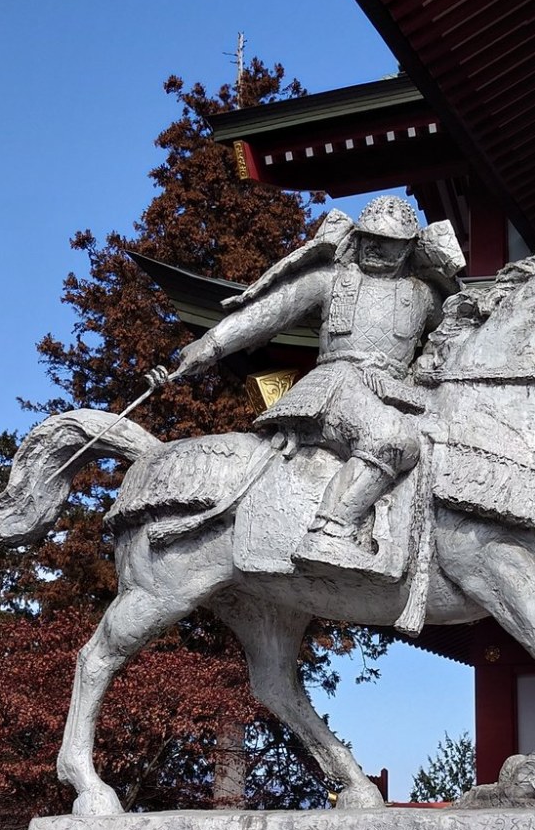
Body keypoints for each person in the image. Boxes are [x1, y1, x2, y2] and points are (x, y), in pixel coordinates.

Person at [158, 195, 463, 570]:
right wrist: (211, 344)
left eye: (386, 241)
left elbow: (460, 333)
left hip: (399, 392)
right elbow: (270, 311)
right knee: (391, 440)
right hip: (337, 383)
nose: (374, 246)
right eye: (368, 237)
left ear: (407, 248)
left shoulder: (424, 296)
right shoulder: (330, 280)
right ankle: (330, 530)